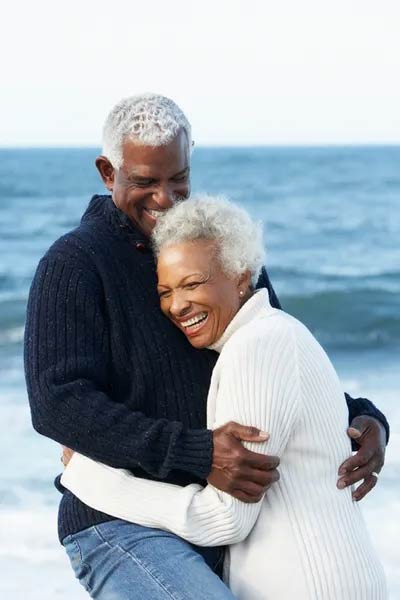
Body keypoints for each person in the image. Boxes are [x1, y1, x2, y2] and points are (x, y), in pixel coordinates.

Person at [24, 94, 389, 599]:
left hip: (222, 524)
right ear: (109, 173)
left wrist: (362, 419)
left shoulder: (218, 249)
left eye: (178, 180)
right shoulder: (75, 263)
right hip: (120, 525)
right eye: (145, 182)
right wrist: (195, 451)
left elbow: (272, 353)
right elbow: (57, 402)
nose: (165, 198)